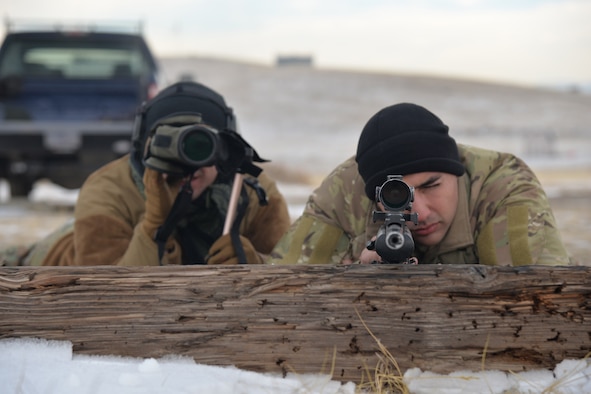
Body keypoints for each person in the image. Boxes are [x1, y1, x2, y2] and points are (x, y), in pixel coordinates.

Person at [18, 81, 291, 266]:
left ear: (226, 150)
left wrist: (257, 263)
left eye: (200, 146)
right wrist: (153, 226)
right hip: (58, 255)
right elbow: (106, 297)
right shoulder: (108, 189)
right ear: (143, 148)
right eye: (167, 146)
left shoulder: (254, 191)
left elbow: (291, 273)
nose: (187, 164)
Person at [269, 103, 572, 266]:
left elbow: (538, 295)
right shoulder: (342, 193)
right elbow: (281, 292)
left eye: (431, 186)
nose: (421, 212)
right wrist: (352, 274)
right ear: (372, 196)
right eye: (396, 194)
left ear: (458, 172)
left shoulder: (500, 183)